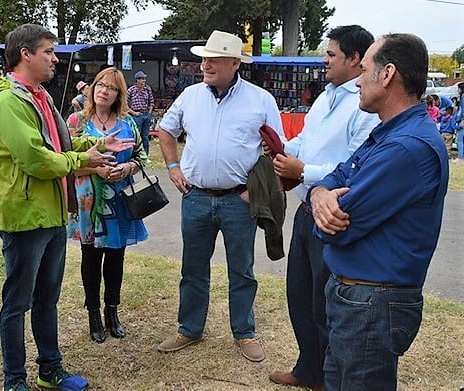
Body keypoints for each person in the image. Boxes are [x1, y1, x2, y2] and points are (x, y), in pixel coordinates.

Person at [0, 24, 134, 391]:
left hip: (52, 213)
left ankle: (50, 370)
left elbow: (57, 141)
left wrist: (92, 143)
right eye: (49, 52)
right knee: (17, 303)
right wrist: (85, 157)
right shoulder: (8, 101)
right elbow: (37, 159)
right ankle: (14, 379)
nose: (55, 59)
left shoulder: (40, 96)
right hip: (24, 216)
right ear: (26, 54)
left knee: (47, 299)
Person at [308, 33, 449, 390]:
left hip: (371, 304)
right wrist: (319, 193)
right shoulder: (390, 133)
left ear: (387, 75)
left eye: (365, 69)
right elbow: (336, 174)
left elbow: (336, 227)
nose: (357, 79)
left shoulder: (406, 148)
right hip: (358, 300)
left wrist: (322, 204)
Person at [156, 30, 284, 363]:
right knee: (193, 267)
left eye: (213, 59)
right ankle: (190, 328)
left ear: (233, 62)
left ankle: (244, 332)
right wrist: (172, 166)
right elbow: (166, 131)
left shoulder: (261, 100)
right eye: (204, 58)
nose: (205, 65)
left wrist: (250, 191)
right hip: (195, 197)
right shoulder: (190, 95)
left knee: (241, 269)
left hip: (239, 200)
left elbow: (276, 150)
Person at [266, 25, 380, 390]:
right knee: (299, 293)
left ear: (354, 59)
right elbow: (305, 139)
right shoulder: (326, 95)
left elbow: (355, 165)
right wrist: (284, 151)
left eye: (331, 54)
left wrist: (304, 172)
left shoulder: (364, 106)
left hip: (332, 214)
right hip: (305, 210)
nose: (324, 60)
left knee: (325, 300)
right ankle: (308, 369)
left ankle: (329, 377)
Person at [66, 67, 149, 343]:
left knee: (116, 258)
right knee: (90, 258)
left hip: (120, 202)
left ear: (118, 95)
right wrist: (95, 171)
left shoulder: (128, 123)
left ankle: (112, 311)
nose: (103, 90)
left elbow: (142, 158)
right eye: (100, 84)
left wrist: (126, 168)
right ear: (91, 88)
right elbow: (64, 163)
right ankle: (93, 314)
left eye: (111, 88)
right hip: (88, 202)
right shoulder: (76, 121)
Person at [126, 70, 154, 154]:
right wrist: (133, 112)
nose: (144, 81)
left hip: (146, 114)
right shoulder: (131, 90)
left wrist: (149, 112)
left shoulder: (147, 89)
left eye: (144, 79)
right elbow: (124, 103)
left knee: (145, 136)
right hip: (136, 115)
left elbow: (151, 101)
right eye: (142, 79)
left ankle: (145, 154)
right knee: (136, 135)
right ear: (137, 80)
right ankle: (136, 153)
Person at [453, 82, 464, 162]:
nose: (457, 90)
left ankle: (460, 157)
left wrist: (462, 120)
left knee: (459, 139)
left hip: (462, 120)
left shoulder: (463, 97)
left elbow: (462, 110)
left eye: (458, 88)